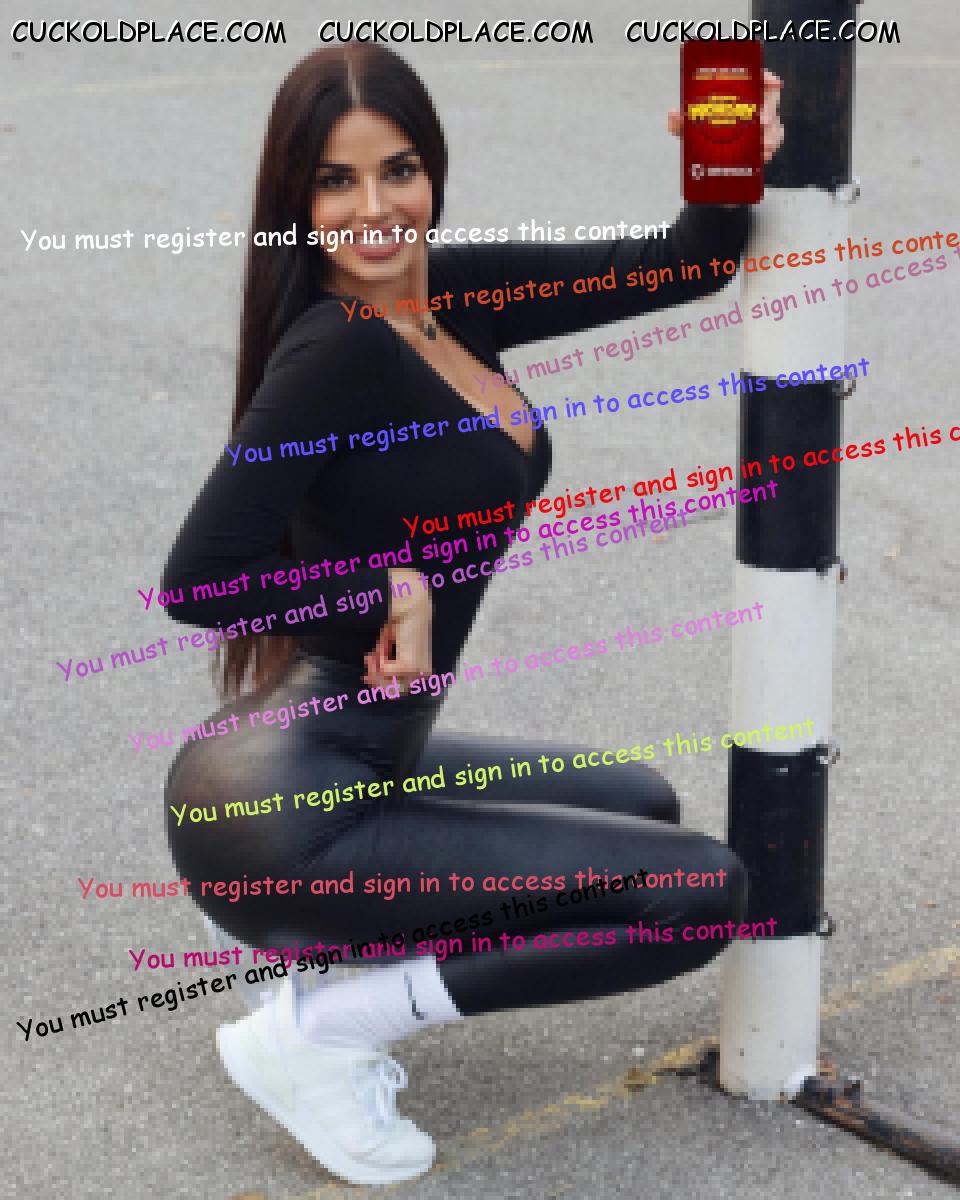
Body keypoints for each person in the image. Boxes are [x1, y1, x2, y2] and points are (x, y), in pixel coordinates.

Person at [161, 44, 784, 1187]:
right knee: (697, 893)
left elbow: (686, 264)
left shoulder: (452, 297)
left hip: (354, 761)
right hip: (286, 813)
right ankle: (322, 1031)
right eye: (336, 182)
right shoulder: (332, 353)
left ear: (432, 169)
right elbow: (199, 580)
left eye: (397, 170)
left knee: (642, 804)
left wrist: (727, 136)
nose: (376, 208)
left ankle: (329, 940)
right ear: (297, 200)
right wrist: (387, 588)